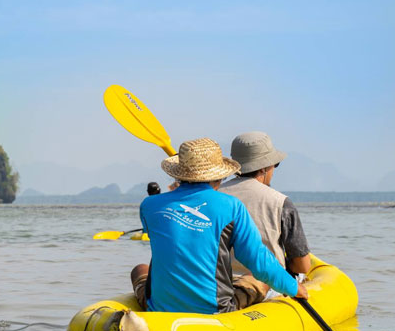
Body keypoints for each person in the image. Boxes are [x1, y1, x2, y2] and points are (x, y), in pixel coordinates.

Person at [130, 138, 307, 314]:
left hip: (159, 309)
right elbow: (258, 260)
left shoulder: (149, 205)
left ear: (179, 174)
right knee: (259, 279)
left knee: (140, 269)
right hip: (215, 310)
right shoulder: (232, 206)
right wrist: (294, 288)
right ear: (220, 175)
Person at [219, 131, 311, 308]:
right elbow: (302, 266)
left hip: (216, 285)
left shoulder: (213, 195)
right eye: (274, 164)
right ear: (263, 167)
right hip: (264, 287)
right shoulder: (280, 202)